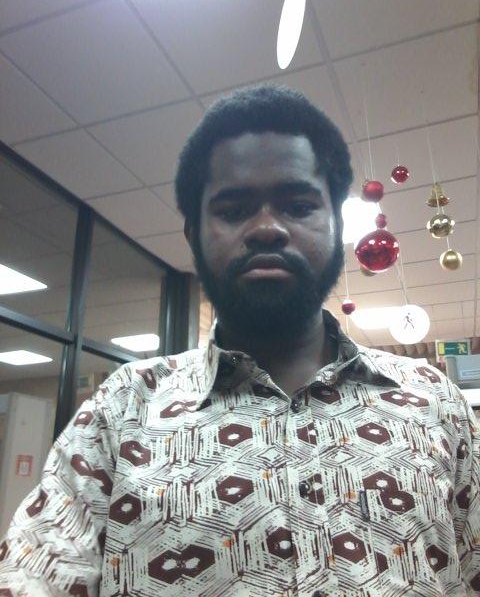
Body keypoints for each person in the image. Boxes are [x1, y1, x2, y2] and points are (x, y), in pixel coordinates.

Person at [0, 85, 478, 597]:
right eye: (233, 210)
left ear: (337, 223)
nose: (267, 229)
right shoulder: (123, 408)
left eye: (298, 205)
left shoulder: (432, 401)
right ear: (193, 235)